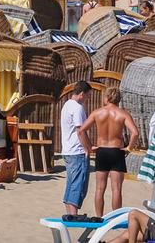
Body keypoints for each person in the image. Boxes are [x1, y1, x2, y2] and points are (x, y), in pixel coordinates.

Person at [79, 88, 139, 218]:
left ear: (106, 98)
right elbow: (135, 133)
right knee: (116, 188)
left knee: (100, 188)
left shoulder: (97, 113)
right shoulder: (123, 114)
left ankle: (99, 217)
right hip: (116, 151)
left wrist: (88, 147)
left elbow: (81, 131)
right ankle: (116, 218)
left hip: (102, 151)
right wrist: (129, 147)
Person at [60, 81, 92, 220]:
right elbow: (81, 131)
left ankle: (70, 213)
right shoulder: (77, 108)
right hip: (76, 150)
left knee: (72, 182)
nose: (87, 98)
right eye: (87, 95)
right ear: (81, 94)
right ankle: (73, 214)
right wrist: (87, 148)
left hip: (68, 149)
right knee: (78, 183)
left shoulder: (67, 105)